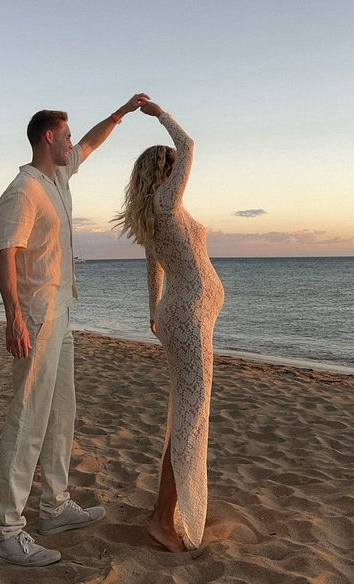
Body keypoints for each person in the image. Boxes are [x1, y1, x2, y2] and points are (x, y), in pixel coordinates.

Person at [0, 94, 149, 567]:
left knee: (62, 413)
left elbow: (94, 143)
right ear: (49, 137)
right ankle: (5, 530)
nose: (74, 143)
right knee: (28, 419)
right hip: (35, 314)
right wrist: (13, 315)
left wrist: (121, 113)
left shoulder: (56, 175)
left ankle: (55, 506)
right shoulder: (23, 189)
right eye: (68, 135)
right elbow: (5, 254)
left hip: (60, 310)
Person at [113, 100, 224, 552]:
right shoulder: (165, 201)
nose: (181, 170)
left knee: (185, 414)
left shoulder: (153, 214)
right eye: (175, 166)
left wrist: (153, 310)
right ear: (165, 169)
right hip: (191, 317)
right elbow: (190, 144)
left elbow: (153, 267)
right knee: (192, 420)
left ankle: (166, 512)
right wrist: (160, 114)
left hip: (180, 314)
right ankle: (162, 520)